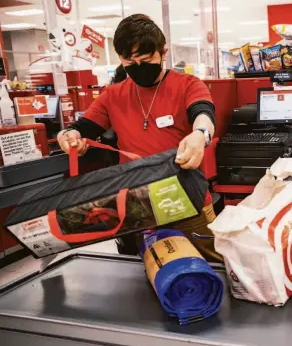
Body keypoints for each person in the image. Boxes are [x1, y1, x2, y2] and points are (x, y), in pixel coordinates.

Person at [56, 14, 221, 262]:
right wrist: (69, 136)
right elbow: (81, 128)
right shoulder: (113, 96)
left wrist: (200, 135)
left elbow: (203, 114)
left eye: (146, 59)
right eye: (129, 61)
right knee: (146, 269)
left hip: (186, 197)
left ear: (163, 52)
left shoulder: (187, 85)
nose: (138, 67)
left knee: (211, 264)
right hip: (136, 203)